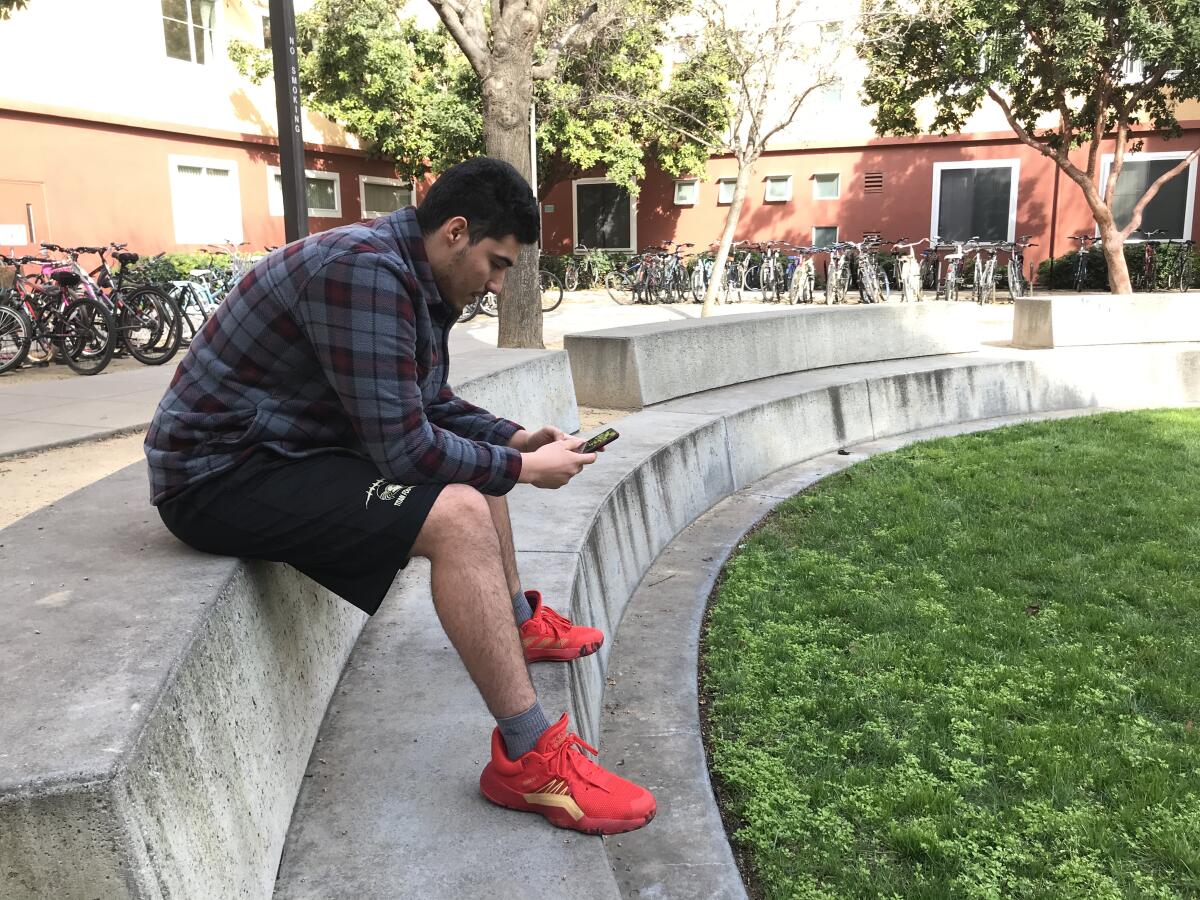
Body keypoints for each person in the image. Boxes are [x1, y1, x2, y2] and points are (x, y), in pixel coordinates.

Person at [145, 157, 655, 835]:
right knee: (461, 507)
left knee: (484, 466)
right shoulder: (363, 272)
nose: (500, 285)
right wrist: (523, 469)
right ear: (455, 232)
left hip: (284, 450)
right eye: (497, 264)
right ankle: (530, 761)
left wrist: (515, 439)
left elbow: (427, 403)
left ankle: (516, 623)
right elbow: (407, 452)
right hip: (216, 475)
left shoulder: (410, 271)